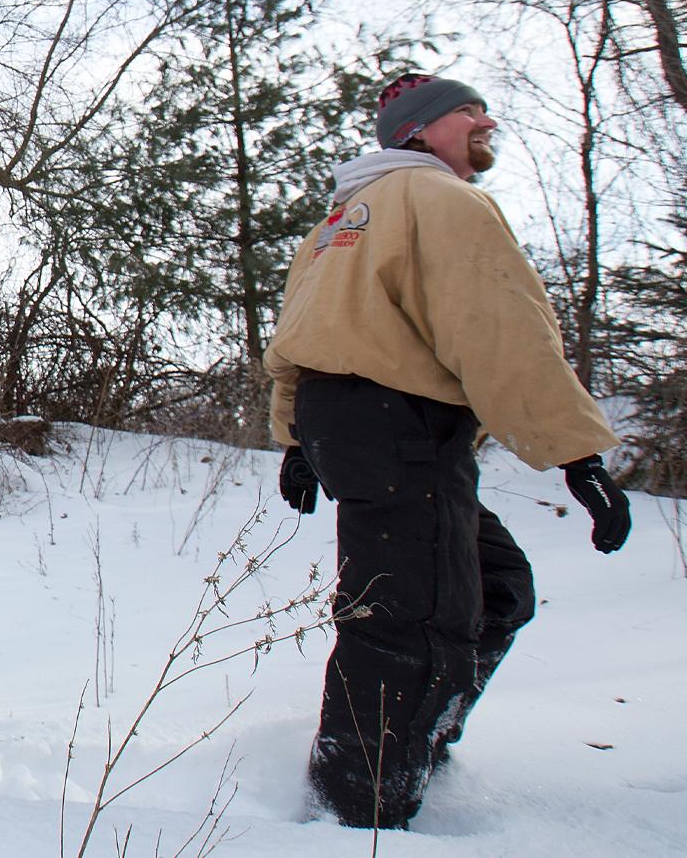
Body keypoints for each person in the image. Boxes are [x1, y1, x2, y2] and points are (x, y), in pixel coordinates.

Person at [264, 73, 633, 829]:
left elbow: (298, 340)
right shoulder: (441, 202)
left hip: (353, 425)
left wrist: (299, 440)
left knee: (497, 585)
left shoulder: (340, 222)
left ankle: (420, 743)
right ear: (422, 131)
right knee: (413, 618)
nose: (485, 120)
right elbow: (501, 331)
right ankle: (358, 813)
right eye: (469, 112)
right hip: (401, 424)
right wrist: (578, 457)